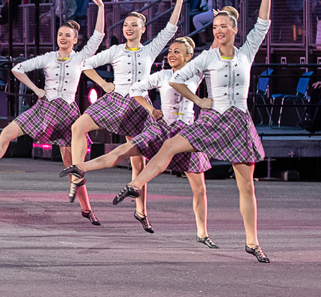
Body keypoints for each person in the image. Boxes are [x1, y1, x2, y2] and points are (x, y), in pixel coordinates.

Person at [113, 0, 273, 263]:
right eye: (215, 27)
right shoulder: (207, 57)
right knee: (170, 145)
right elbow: (176, 80)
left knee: (246, 185)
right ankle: (136, 185)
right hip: (211, 120)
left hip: (238, 122)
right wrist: (200, 99)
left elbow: (262, 23)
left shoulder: (246, 52)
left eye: (224, 25)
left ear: (235, 29)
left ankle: (252, 242)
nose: (219, 30)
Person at [60, 37, 216, 245]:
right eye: (170, 51)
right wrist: (151, 109)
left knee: (199, 187)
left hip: (186, 133)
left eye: (177, 52)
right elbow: (135, 91)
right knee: (122, 151)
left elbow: (213, 53)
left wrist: (219, 27)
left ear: (189, 57)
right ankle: (79, 167)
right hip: (162, 129)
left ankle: (202, 233)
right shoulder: (162, 76)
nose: (171, 55)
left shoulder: (195, 73)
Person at [67, 0, 184, 227]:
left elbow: (170, 30)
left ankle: (141, 211)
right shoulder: (116, 50)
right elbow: (86, 65)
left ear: (143, 29)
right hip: (115, 100)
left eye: (134, 25)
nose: (128, 28)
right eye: (126, 25)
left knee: (138, 161)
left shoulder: (151, 49)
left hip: (139, 105)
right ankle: (78, 174)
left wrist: (179, 2)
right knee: (78, 127)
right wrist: (104, 84)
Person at [0, 0, 105, 192]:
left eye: (67, 35)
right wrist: (37, 90)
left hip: (67, 110)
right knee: (7, 133)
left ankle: (78, 193)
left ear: (75, 39)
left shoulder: (80, 58)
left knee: (68, 156)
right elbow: (17, 69)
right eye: (60, 34)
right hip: (44, 108)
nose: (62, 38)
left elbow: (98, 36)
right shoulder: (48, 57)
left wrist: (101, 8)